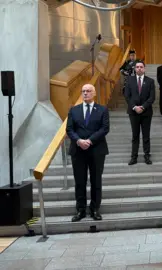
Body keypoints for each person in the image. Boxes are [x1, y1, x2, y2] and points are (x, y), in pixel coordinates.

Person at [66, 84, 110, 222]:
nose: (85, 93)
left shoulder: (102, 110)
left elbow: (104, 128)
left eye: (88, 91)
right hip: (78, 151)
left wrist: (89, 141)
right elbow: (69, 129)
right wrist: (79, 141)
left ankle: (95, 209)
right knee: (80, 181)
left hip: (97, 150)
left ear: (94, 93)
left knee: (96, 180)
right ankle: (80, 210)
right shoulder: (74, 110)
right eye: (83, 91)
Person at [124, 61, 156, 165]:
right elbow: (127, 96)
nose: (139, 68)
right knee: (135, 135)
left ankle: (147, 156)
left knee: (146, 135)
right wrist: (134, 107)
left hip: (146, 112)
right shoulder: (129, 80)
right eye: (137, 67)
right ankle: (134, 157)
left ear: (144, 69)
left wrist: (142, 107)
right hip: (133, 113)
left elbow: (152, 98)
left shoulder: (150, 81)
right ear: (134, 69)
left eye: (141, 67)